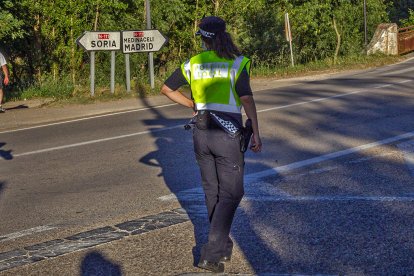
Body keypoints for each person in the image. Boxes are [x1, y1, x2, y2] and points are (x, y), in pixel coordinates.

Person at [161, 16, 262, 273]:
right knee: (233, 192)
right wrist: (257, 131)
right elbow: (246, 99)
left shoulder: (194, 63)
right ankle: (212, 253)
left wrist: (192, 105)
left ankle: (223, 245)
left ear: (204, 39)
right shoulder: (238, 62)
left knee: (213, 191)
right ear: (224, 35)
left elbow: (166, 89)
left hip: (201, 132)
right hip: (227, 133)